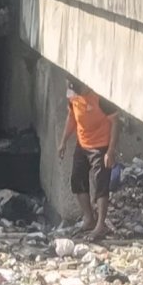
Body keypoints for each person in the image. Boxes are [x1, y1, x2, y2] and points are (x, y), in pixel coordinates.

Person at [58, 78, 120, 241]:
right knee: (77, 181)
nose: (76, 94)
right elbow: (71, 117)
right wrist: (63, 141)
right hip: (82, 144)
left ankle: (100, 225)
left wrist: (110, 151)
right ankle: (89, 219)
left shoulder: (100, 98)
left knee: (101, 184)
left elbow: (115, 122)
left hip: (101, 145)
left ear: (86, 85)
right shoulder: (73, 96)